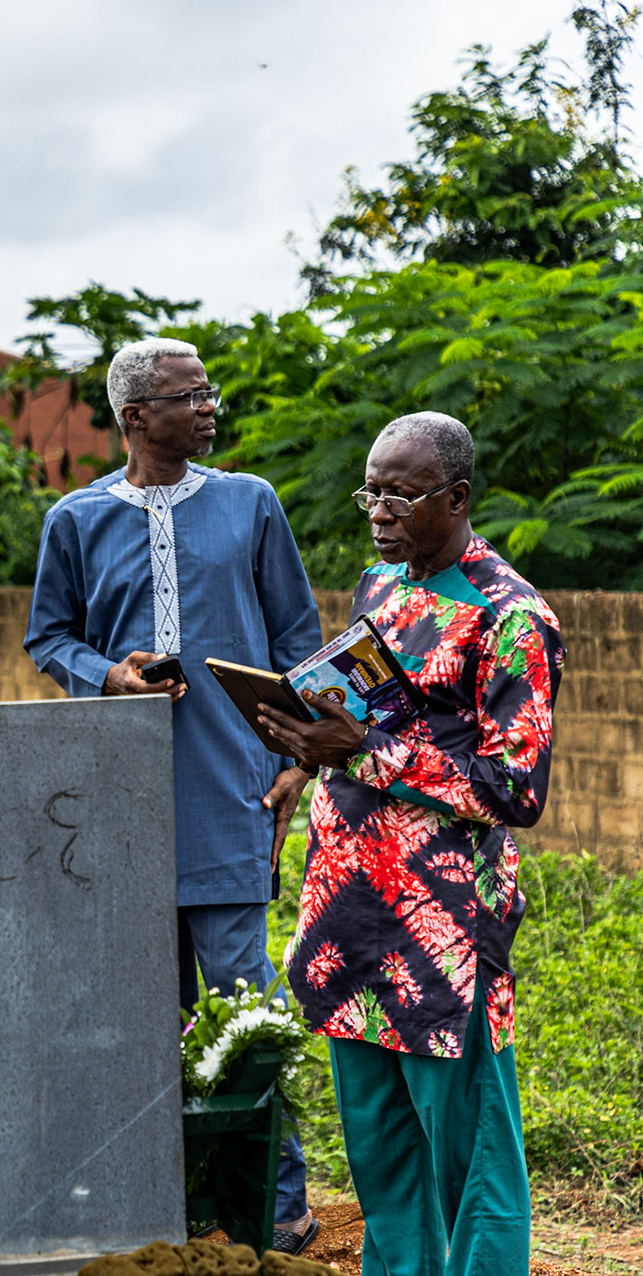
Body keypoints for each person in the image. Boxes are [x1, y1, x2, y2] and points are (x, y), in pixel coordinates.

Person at [22, 337, 320, 1251]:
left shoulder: (250, 503)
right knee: (140, 1011)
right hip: (118, 801)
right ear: (135, 416)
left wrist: (296, 759)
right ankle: (161, 1196)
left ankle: (274, 1200)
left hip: (232, 790)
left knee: (242, 1003)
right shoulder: (74, 520)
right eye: (189, 396)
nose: (208, 407)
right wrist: (108, 676)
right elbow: (48, 637)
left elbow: (297, 638)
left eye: (207, 392)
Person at [260, 413, 561, 1276]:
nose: (380, 512)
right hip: (348, 911)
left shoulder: (512, 618)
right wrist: (307, 746)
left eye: (401, 494)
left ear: (456, 498)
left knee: (474, 1161)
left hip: (445, 930)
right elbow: (369, 714)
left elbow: (515, 788)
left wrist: (365, 750)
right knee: (383, 1156)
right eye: (372, 493)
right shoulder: (380, 585)